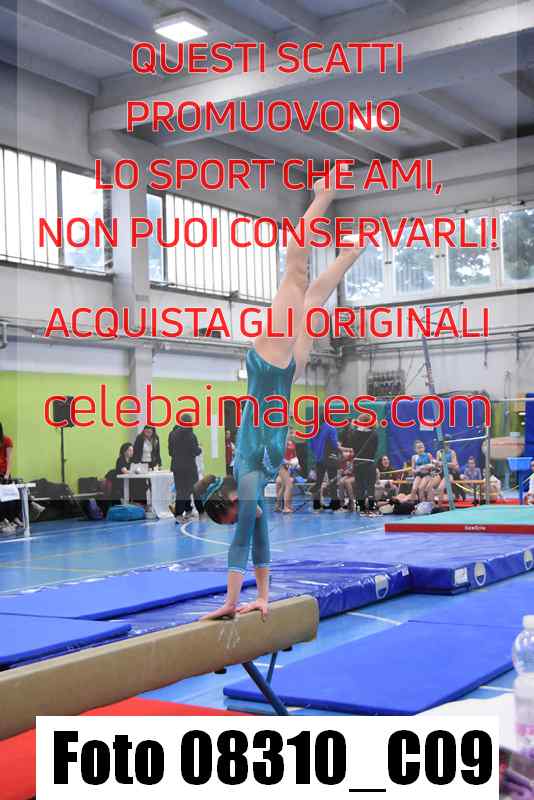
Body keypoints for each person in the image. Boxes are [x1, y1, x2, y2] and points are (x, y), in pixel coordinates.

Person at [193, 171, 364, 620]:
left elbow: (242, 541)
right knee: (311, 300)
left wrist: (231, 603)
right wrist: (263, 596)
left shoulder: (247, 475)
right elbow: (260, 540)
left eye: (230, 516)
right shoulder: (251, 483)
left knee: (295, 270)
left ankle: (323, 195)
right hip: (284, 376)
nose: (237, 520)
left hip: (268, 363)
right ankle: (350, 252)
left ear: (229, 500)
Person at [169, 417, 202, 521]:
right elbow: (195, 451)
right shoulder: (191, 435)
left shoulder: (172, 434)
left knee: (181, 491)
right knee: (195, 490)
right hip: (189, 467)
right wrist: (200, 449)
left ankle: (179, 514)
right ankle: (201, 512)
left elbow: (170, 452)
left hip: (177, 467)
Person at [346, 415, 379, 513]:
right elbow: (375, 449)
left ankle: (360, 507)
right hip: (370, 463)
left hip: (358, 463)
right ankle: (372, 508)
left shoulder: (354, 433)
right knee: (370, 487)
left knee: (359, 487)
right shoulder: (374, 434)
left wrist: (352, 428)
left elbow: (350, 444)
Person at [309, 417, 343, 512]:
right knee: (332, 482)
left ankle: (316, 506)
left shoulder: (314, 429)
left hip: (318, 458)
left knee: (319, 482)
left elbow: (311, 445)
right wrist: (340, 449)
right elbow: (334, 444)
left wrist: (317, 454)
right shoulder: (331, 427)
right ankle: (335, 506)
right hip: (330, 458)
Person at [275, 432, 300, 513]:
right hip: (282, 466)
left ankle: (277, 506)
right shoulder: (281, 442)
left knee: (283, 486)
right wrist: (286, 462)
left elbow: (294, 455)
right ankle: (286, 507)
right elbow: (278, 455)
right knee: (288, 485)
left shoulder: (292, 443)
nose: (293, 434)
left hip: (288, 467)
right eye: (291, 432)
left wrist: (297, 464)